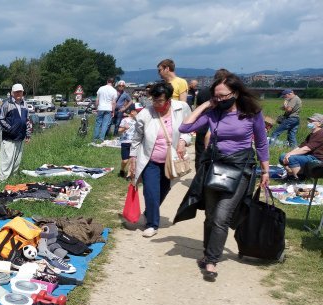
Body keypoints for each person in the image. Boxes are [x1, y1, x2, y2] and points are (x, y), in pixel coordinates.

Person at [176, 73, 270, 281]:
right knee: (210, 216)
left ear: (235, 93)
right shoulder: (213, 113)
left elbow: (262, 143)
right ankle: (207, 252)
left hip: (240, 169)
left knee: (221, 216)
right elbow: (185, 127)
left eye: (223, 96)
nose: (220, 99)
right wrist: (205, 105)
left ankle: (211, 260)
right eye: (216, 96)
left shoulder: (251, 113)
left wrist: (265, 171)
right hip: (215, 167)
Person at [128, 81, 192, 237]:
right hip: (151, 160)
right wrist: (133, 157)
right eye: (153, 100)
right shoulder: (145, 114)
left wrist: (183, 141)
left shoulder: (181, 108)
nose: (156, 104)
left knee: (163, 191)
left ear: (169, 99)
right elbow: (137, 138)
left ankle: (149, 213)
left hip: (170, 161)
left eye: (160, 101)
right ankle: (152, 224)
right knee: (150, 192)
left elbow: (188, 128)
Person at [0, 83, 32, 181]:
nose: (18, 93)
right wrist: (10, 129)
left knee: (17, 161)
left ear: (22, 92)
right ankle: (2, 181)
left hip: (20, 138)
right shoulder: (7, 104)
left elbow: (27, 120)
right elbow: (0, 119)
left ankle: (13, 179)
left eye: (20, 91)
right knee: (7, 161)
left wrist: (28, 134)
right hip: (9, 139)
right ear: (12, 93)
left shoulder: (24, 103)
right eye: (16, 92)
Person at [278, 113, 323, 179]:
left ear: (319, 123)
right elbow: (300, 147)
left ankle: (298, 177)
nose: (309, 122)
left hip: (316, 158)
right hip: (309, 156)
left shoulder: (321, 133)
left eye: (312, 121)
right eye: (309, 121)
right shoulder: (311, 134)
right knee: (283, 156)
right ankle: (296, 174)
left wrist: (290, 154)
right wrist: (288, 154)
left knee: (291, 158)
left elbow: (307, 149)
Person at [118, 104, 141, 177]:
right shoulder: (125, 120)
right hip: (125, 142)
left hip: (135, 143)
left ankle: (130, 175)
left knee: (132, 160)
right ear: (132, 112)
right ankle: (122, 169)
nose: (139, 113)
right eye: (138, 111)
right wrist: (124, 128)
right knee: (125, 161)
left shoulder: (139, 120)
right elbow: (119, 131)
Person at [93, 78, 118, 143]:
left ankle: (95, 139)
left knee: (98, 123)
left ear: (107, 81)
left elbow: (97, 100)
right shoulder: (114, 91)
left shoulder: (101, 88)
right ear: (113, 83)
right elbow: (114, 102)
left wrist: (96, 108)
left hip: (101, 108)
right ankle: (101, 139)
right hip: (108, 109)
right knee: (105, 124)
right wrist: (113, 111)